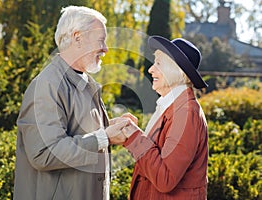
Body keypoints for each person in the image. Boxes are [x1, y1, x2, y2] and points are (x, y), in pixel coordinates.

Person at [13, 6, 128, 200]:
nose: (106, 48)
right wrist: (103, 137)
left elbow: (82, 132)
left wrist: (110, 128)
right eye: (101, 40)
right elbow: (44, 153)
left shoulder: (84, 82)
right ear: (77, 38)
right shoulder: (47, 86)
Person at [117, 36, 209, 199]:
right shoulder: (172, 107)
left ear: (176, 70)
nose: (151, 69)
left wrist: (134, 136)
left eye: (158, 63)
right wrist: (132, 133)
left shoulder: (186, 113)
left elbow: (165, 178)